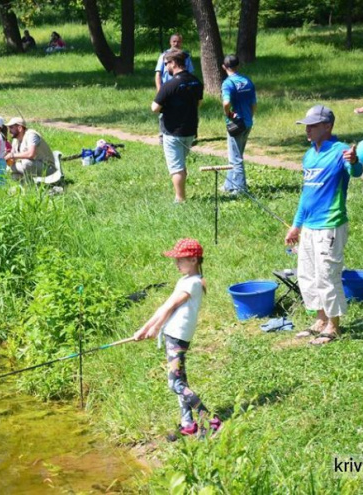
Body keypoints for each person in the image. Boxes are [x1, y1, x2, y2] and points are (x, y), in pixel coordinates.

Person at [285, 105, 363, 346]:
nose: (307, 129)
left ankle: (333, 326)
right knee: (307, 274)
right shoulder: (309, 155)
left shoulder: (340, 152)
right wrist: (296, 226)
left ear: (327, 127)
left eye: (313, 125)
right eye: (306, 125)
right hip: (308, 225)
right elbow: (306, 195)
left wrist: (355, 161)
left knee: (327, 275)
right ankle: (320, 319)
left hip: (330, 224)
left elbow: (355, 170)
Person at [132, 238, 221, 441]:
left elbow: (168, 307)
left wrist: (151, 328)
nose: (176, 263)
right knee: (181, 379)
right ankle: (188, 424)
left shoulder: (193, 283)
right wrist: (147, 328)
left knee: (176, 383)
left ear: (193, 259)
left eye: (180, 260)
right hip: (172, 334)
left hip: (178, 337)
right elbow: (164, 307)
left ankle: (210, 421)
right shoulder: (184, 281)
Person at [152, 49, 203, 203]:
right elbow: (199, 103)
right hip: (190, 131)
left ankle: (180, 199)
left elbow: (154, 108)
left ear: (173, 63)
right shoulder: (196, 81)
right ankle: (181, 194)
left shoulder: (170, 84)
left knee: (176, 167)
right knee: (180, 163)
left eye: (166, 63)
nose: (165, 66)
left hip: (173, 132)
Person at [221, 54, 257, 195]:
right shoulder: (247, 81)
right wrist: (250, 118)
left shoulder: (227, 83)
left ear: (224, 67)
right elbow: (254, 104)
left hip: (236, 124)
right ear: (238, 65)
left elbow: (226, 102)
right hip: (247, 122)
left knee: (235, 158)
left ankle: (240, 189)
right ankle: (229, 185)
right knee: (236, 155)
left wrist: (228, 114)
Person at [3, 117, 57, 181]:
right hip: (33, 166)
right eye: (8, 128)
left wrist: (12, 155)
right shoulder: (15, 140)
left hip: (48, 168)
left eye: (11, 127)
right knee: (8, 169)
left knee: (26, 163)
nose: (9, 130)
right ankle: (27, 186)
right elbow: (12, 159)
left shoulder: (31, 135)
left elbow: (31, 154)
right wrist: (4, 157)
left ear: (20, 128)